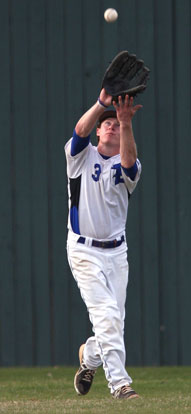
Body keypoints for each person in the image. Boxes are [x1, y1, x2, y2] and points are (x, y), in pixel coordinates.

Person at [64, 87, 142, 399]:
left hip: (116, 252)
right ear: (98, 131)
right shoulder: (80, 156)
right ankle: (121, 386)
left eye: (114, 123)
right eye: (106, 123)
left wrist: (126, 122)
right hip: (84, 250)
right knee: (108, 314)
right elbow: (79, 130)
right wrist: (101, 104)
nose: (110, 125)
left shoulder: (130, 163)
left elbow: (129, 161)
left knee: (113, 324)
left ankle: (90, 356)